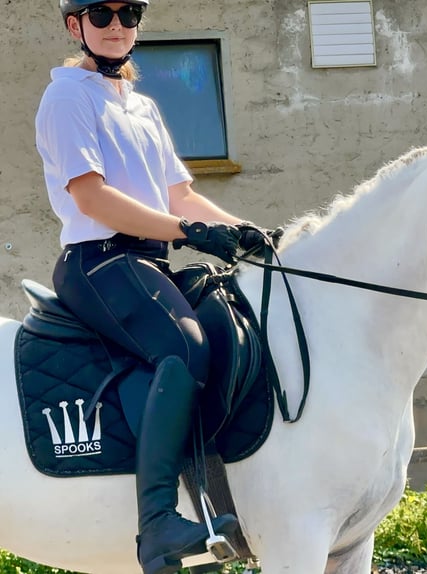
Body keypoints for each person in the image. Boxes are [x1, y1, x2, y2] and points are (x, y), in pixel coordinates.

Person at [35, 2, 272, 573]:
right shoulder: (67, 97)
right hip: (98, 261)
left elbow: (180, 196)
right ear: (76, 26)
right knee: (183, 345)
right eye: (102, 13)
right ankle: (158, 525)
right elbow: (91, 199)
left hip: (147, 259)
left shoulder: (140, 105)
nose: (117, 24)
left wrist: (241, 230)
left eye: (129, 12)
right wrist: (188, 232)